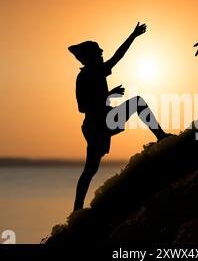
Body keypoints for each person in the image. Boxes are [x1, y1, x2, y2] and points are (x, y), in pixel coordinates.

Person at [69, 23, 171, 211]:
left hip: (104, 120)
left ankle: (160, 135)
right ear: (90, 57)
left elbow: (118, 55)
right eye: (98, 52)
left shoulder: (98, 70)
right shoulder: (84, 77)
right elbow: (82, 107)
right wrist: (108, 96)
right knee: (90, 169)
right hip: (95, 126)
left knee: (137, 103)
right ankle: (77, 209)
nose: (102, 54)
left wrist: (133, 35)